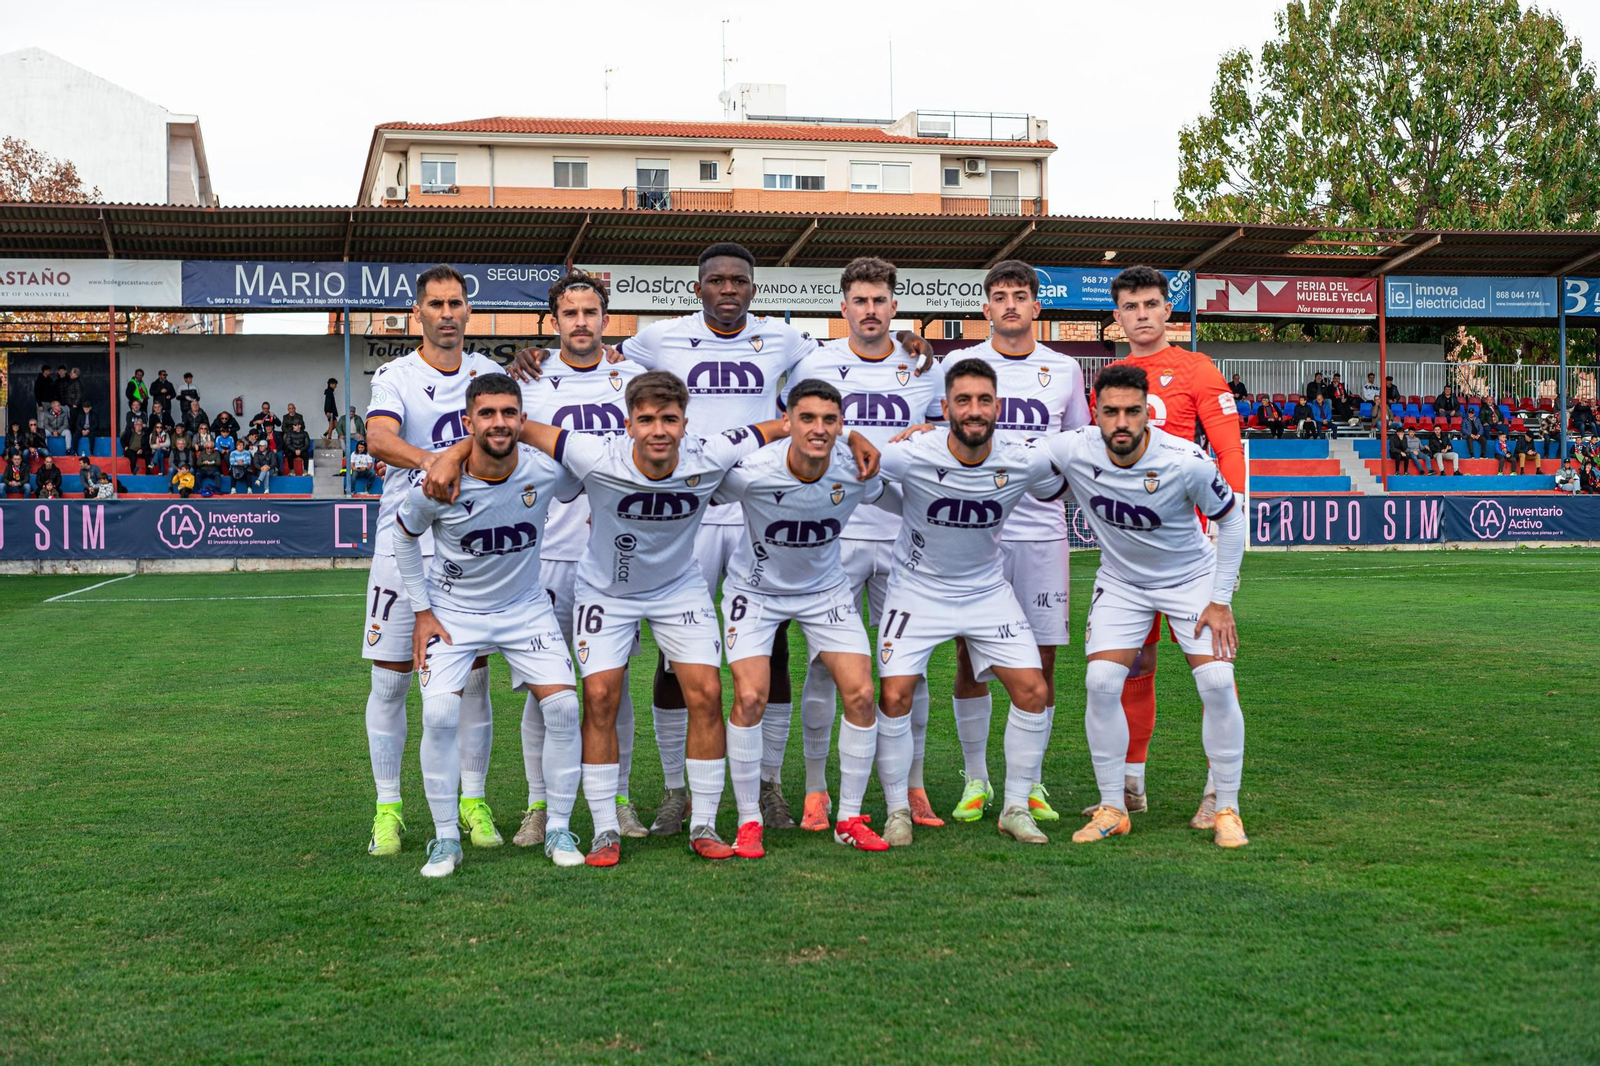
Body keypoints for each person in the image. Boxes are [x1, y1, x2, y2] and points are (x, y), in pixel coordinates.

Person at [597, 241, 931, 836]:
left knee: (771, 650)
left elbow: (853, 359)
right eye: (717, 281)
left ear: (753, 289)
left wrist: (908, 341)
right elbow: (599, 356)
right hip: (696, 503)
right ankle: (677, 790)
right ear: (697, 288)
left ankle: (770, 786)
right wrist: (531, 359)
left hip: (757, 502)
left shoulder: (783, 338)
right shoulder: (658, 337)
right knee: (680, 659)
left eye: (739, 282)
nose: (729, 290)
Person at [424, 370, 814, 866]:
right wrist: (456, 453)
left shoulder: (709, 453)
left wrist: (857, 435)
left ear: (684, 423)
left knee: (708, 693)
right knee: (600, 697)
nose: (658, 430)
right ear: (628, 424)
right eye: (646, 419)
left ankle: (705, 824)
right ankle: (606, 828)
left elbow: (781, 427)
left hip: (678, 589)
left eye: (669, 420)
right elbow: (512, 428)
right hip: (606, 592)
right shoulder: (595, 455)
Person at [1045, 363, 1249, 848]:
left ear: (1147, 415)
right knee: (1100, 680)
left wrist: (1220, 601)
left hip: (1190, 579)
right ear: (1095, 412)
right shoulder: (1073, 447)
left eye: (1132, 412)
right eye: (1111, 411)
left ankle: (1227, 807)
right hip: (1122, 582)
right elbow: (1007, 453)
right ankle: (1114, 806)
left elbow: (1233, 521)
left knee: (1218, 681)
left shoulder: (1187, 460)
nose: (1121, 422)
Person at [392, 372, 588, 876]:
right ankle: (444, 839)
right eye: (487, 413)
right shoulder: (437, 482)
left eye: (508, 413)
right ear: (467, 421)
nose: (498, 423)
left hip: (525, 609)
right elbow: (403, 538)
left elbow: (589, 468)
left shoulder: (545, 473)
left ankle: (560, 827)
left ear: (522, 419)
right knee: (437, 715)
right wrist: (422, 611)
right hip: (454, 614)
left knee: (565, 708)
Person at [871, 358, 1063, 846]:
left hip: (985, 591)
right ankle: (897, 810)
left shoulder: (1024, 458)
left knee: (1033, 691)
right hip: (916, 589)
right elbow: (858, 463)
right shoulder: (913, 452)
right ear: (945, 408)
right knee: (893, 697)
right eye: (963, 400)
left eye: (983, 400)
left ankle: (1016, 806)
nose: (974, 410)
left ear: (997, 406)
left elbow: (1071, 473)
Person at [789, 257, 947, 831]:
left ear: (895, 306)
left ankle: (914, 785)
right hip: (834, 534)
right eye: (860, 300)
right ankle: (815, 789)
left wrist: (934, 430)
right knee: (826, 666)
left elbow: (944, 433)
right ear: (844, 307)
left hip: (906, 533)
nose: (870, 311)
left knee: (909, 668)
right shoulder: (817, 360)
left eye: (880, 300)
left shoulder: (923, 363)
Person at [359, 264, 509, 860]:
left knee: (472, 685)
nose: (448, 313)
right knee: (390, 683)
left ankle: (473, 802)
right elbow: (377, 439)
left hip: (467, 551)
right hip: (403, 546)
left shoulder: (489, 375)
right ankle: (388, 808)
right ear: (417, 313)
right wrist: (437, 461)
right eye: (436, 304)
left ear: (469, 311)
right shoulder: (396, 374)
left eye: (457, 303)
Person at [938, 260, 1089, 827]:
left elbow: (1076, 447)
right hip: (976, 529)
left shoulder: (1065, 368)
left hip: (1042, 533)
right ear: (985, 308)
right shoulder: (959, 363)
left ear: (1035, 307)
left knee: (1043, 657)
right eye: (999, 296)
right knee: (968, 657)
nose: (1009, 305)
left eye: (1019, 296)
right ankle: (976, 779)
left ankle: (1030, 783)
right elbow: (939, 431)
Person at [713, 378, 891, 856]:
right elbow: (699, 481)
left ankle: (849, 817)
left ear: (841, 425)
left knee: (861, 693)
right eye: (806, 418)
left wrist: (860, 439)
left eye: (830, 420)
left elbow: (906, 482)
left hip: (824, 592)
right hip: (755, 591)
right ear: (787, 421)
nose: (818, 429)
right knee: (749, 697)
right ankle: (749, 820)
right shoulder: (752, 472)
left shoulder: (858, 471)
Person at [1100, 265, 1246, 826]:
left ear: (1168, 311)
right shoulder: (1113, 376)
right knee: (1135, 662)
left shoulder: (1197, 369)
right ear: (1118, 317)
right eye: (1131, 306)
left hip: (1189, 546)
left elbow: (1228, 449)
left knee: (1212, 667)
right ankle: (1131, 784)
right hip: (1132, 550)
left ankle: (1218, 790)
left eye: (1151, 304)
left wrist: (1223, 518)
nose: (1142, 315)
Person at [512, 271, 652, 846]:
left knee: (609, 687)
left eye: (591, 312)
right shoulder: (530, 379)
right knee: (546, 688)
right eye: (569, 314)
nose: (581, 323)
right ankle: (538, 806)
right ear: (553, 322)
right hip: (544, 556)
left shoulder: (633, 378)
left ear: (604, 318)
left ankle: (617, 800)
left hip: (615, 557)